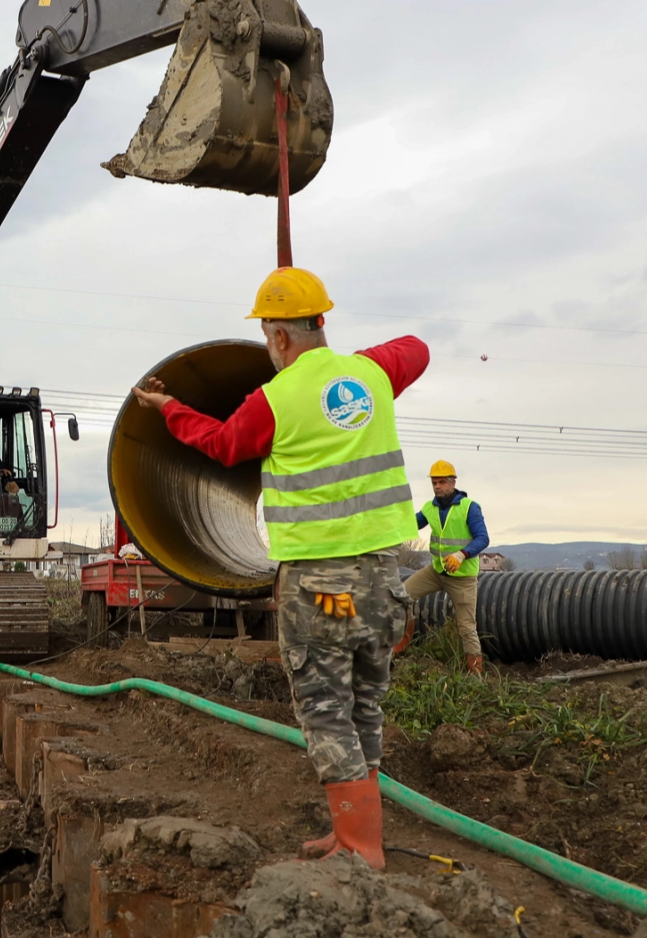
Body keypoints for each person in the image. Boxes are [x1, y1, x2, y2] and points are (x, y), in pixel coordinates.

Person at [130, 266, 427, 869]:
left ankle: (362, 847)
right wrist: (353, 364)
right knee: (363, 706)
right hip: (383, 581)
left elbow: (220, 444)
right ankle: (351, 833)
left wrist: (167, 406)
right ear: (322, 321)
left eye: (269, 336)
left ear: (280, 337)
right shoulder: (371, 374)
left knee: (324, 709)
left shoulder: (274, 400)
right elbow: (416, 350)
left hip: (321, 587)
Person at [402, 460, 490, 675]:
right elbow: (411, 524)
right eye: (434, 482)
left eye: (442, 482)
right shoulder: (430, 508)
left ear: (453, 483)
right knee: (401, 595)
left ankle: (476, 675)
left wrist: (461, 555)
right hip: (436, 571)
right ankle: (401, 644)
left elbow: (483, 538)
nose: (437, 486)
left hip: (462, 577)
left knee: (467, 626)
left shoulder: (469, 508)